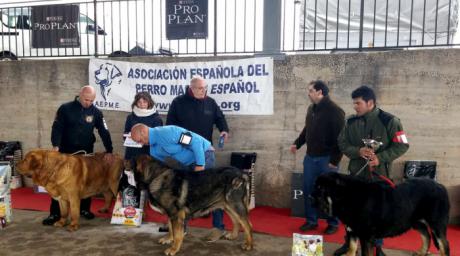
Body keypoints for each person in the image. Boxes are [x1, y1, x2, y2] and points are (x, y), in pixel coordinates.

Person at [335, 85, 409, 256]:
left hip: (379, 178)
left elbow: (403, 145)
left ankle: (377, 247)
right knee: (352, 213)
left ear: (370, 103)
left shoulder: (391, 121)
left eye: (358, 103)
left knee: (377, 215)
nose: (355, 106)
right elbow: (342, 143)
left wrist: (380, 158)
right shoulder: (350, 122)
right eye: (354, 103)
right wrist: (358, 151)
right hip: (356, 177)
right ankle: (350, 244)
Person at [166, 75, 229, 242]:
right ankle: (182, 228)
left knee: (213, 189)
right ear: (191, 88)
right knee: (183, 191)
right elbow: (171, 127)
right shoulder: (178, 103)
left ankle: (218, 227)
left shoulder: (210, 102)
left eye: (205, 88)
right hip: (185, 154)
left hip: (206, 154)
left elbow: (220, 118)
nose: (203, 91)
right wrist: (187, 144)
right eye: (200, 88)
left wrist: (224, 130)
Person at [42, 85, 114, 226]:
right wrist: (55, 145)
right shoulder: (65, 108)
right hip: (65, 153)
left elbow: (104, 131)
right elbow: (57, 128)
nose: (88, 103)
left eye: (91, 100)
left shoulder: (96, 112)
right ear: (80, 95)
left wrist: (109, 150)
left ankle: (84, 210)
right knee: (58, 183)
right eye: (86, 99)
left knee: (85, 181)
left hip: (85, 153)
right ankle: (55, 214)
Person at [290, 80, 345, 235]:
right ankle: (311, 221)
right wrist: (297, 143)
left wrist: (335, 161)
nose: (308, 93)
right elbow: (307, 129)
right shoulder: (311, 108)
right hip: (310, 158)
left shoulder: (335, 111)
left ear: (320, 92)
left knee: (330, 192)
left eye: (311, 90)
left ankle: (333, 223)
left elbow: (341, 138)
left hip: (327, 160)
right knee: (308, 190)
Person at [130, 124, 214, 171]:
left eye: (140, 140)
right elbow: (160, 168)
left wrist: (200, 165)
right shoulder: (153, 150)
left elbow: (196, 141)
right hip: (187, 164)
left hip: (204, 155)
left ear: (143, 132)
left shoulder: (167, 132)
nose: (141, 144)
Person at [124, 92, 163, 160]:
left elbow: (158, 138)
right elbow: (125, 133)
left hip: (148, 154)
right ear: (136, 103)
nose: (142, 104)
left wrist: (145, 142)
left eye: (144, 102)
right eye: (139, 102)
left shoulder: (156, 118)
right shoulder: (130, 117)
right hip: (131, 153)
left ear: (149, 102)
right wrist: (129, 138)